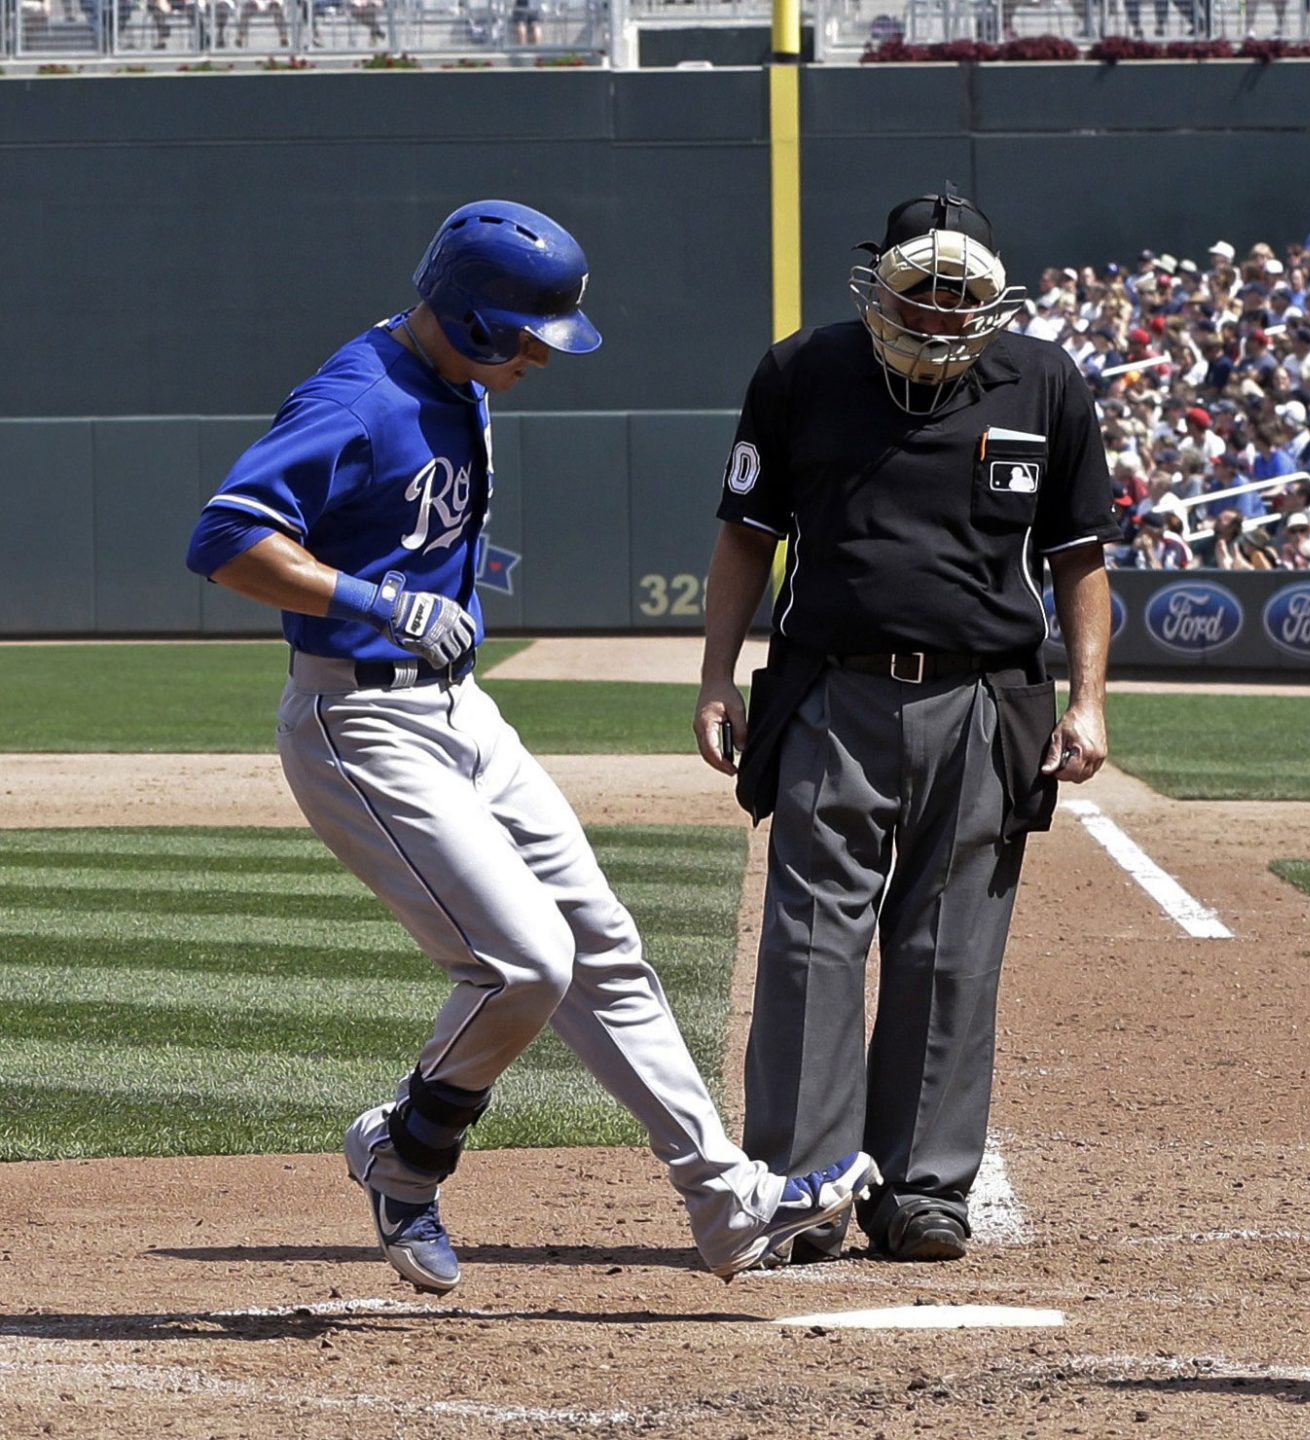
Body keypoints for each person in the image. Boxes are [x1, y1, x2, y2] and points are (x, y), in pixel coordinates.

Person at [181, 200, 876, 1296]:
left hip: (460, 710)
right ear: (472, 317)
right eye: (531, 337)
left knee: (602, 944)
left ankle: (727, 1200)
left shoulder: (456, 379)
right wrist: (375, 600)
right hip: (359, 717)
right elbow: (222, 538)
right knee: (522, 963)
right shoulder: (356, 396)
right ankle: (407, 1151)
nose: (544, 359)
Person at [695, 187, 1116, 1266]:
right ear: (879, 279)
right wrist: (716, 678)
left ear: (991, 294)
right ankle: (800, 1187)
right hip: (832, 691)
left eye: (957, 293)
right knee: (806, 946)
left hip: (986, 704)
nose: (936, 310)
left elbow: (1079, 559)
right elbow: (746, 537)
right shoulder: (802, 373)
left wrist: (1089, 700)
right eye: (917, 288)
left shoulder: (1046, 381)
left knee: (951, 952)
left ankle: (923, 1191)